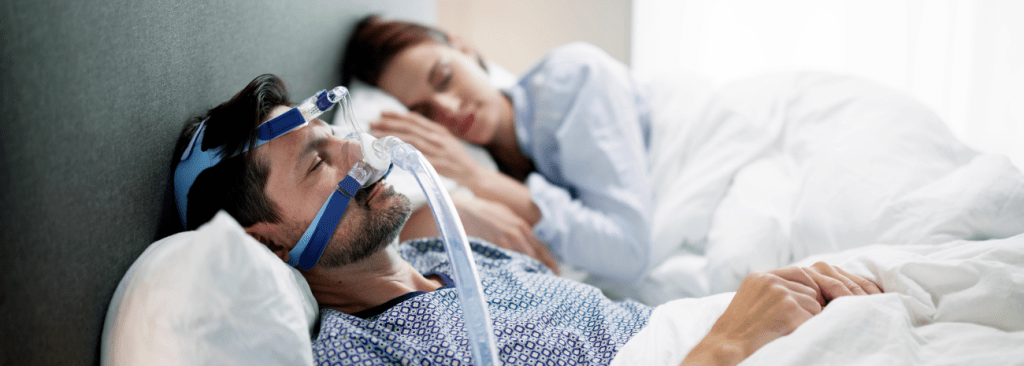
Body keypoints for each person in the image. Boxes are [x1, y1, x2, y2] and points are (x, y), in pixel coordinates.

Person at [171, 74, 882, 365]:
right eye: (320, 164)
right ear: (268, 240)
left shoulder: (455, 259)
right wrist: (725, 345)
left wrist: (757, 306)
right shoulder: (361, 352)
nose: (359, 152)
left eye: (338, 135)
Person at [340, 16, 655, 285]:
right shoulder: (488, 157)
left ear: (463, 47)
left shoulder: (572, 79)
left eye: (444, 78)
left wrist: (477, 177)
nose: (448, 108)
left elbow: (629, 252)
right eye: (424, 113)